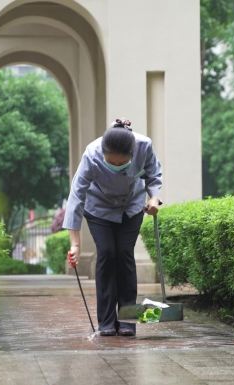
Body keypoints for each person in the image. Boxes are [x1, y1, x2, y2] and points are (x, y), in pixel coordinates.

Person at [62, 118, 162, 337]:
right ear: (103, 152)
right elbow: (76, 196)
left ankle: (127, 320)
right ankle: (106, 322)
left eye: (121, 164)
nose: (116, 167)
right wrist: (75, 245)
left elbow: (153, 175)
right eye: (111, 163)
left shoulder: (143, 146)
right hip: (99, 208)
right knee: (107, 253)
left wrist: (154, 199)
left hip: (132, 206)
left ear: (132, 153)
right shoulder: (91, 154)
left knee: (124, 255)